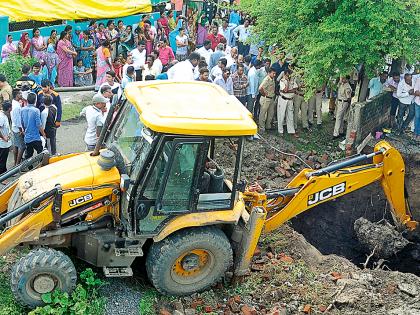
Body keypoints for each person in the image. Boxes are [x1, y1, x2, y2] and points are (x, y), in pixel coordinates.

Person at [20, 92, 46, 159]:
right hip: (35, 137)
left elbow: (22, 122)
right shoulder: (36, 110)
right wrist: (43, 134)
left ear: (27, 100)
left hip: (27, 137)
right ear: (35, 101)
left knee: (28, 155)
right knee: (40, 153)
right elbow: (39, 124)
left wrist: (24, 130)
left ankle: (30, 168)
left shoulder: (22, 109)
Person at [278, 69, 297, 136]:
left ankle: (291, 131)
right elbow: (285, 90)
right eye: (288, 74)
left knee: (290, 115)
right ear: (285, 74)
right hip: (283, 99)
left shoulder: (293, 80)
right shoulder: (282, 81)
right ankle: (280, 131)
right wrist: (287, 82)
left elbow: (295, 90)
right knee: (281, 115)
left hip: (290, 99)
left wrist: (288, 90)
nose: (289, 76)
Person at [258, 67, 276, 132]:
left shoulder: (272, 79)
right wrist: (264, 94)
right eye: (273, 73)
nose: (274, 75)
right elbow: (260, 88)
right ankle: (261, 128)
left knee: (271, 113)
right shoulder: (266, 79)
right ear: (269, 73)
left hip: (271, 98)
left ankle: (268, 126)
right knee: (263, 114)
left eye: (275, 73)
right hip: (266, 98)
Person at [11, 89, 24, 165]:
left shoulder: (14, 102)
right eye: (20, 93)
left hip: (14, 127)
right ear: (17, 95)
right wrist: (21, 130)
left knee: (16, 145)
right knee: (22, 146)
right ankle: (17, 165)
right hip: (17, 129)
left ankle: (15, 162)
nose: (21, 95)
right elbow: (17, 120)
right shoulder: (16, 107)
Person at [0, 101, 12, 174]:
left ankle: (5, 172)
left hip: (5, 141)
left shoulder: (5, 115)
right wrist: (4, 137)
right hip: (2, 142)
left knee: (4, 158)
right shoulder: (1, 117)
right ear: (9, 108)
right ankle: (2, 176)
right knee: (2, 159)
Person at [414, 75, 420, 140]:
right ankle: (415, 133)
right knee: (417, 118)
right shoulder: (419, 79)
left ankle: (419, 134)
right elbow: (416, 92)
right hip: (418, 102)